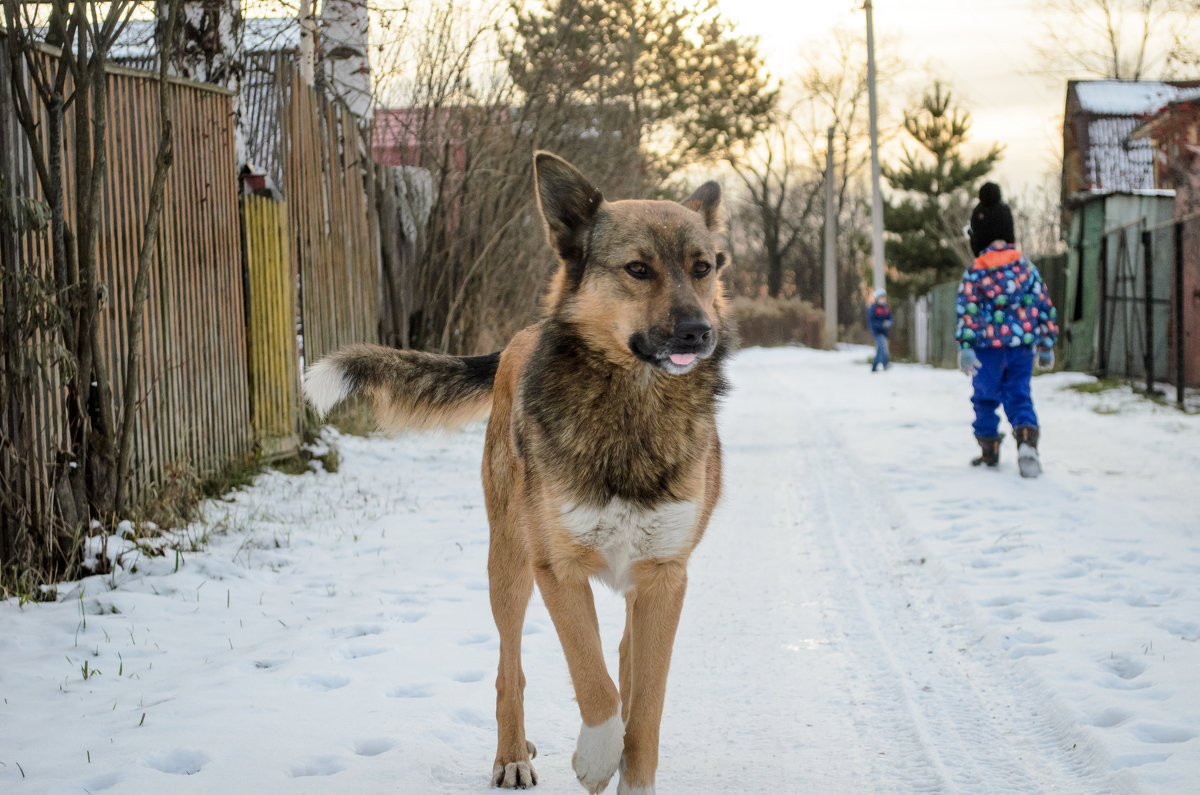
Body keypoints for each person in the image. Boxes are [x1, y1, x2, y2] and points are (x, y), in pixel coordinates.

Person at [956, 182, 1058, 478]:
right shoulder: (1025, 267)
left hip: (987, 350)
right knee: (1019, 395)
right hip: (1021, 349)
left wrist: (965, 345)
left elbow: (967, 309)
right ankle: (1027, 444)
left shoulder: (976, 271)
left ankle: (989, 451)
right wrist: (1046, 343)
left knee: (984, 398)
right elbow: (1043, 305)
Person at [868, 288, 893, 372]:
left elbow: (890, 318)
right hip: (877, 332)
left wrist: (889, 323)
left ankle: (874, 367)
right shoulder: (873, 308)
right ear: (877, 299)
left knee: (879, 350)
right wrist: (881, 325)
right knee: (883, 347)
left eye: (884, 298)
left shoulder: (886, 308)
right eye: (881, 298)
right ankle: (885, 364)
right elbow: (872, 321)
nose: (883, 300)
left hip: (885, 332)